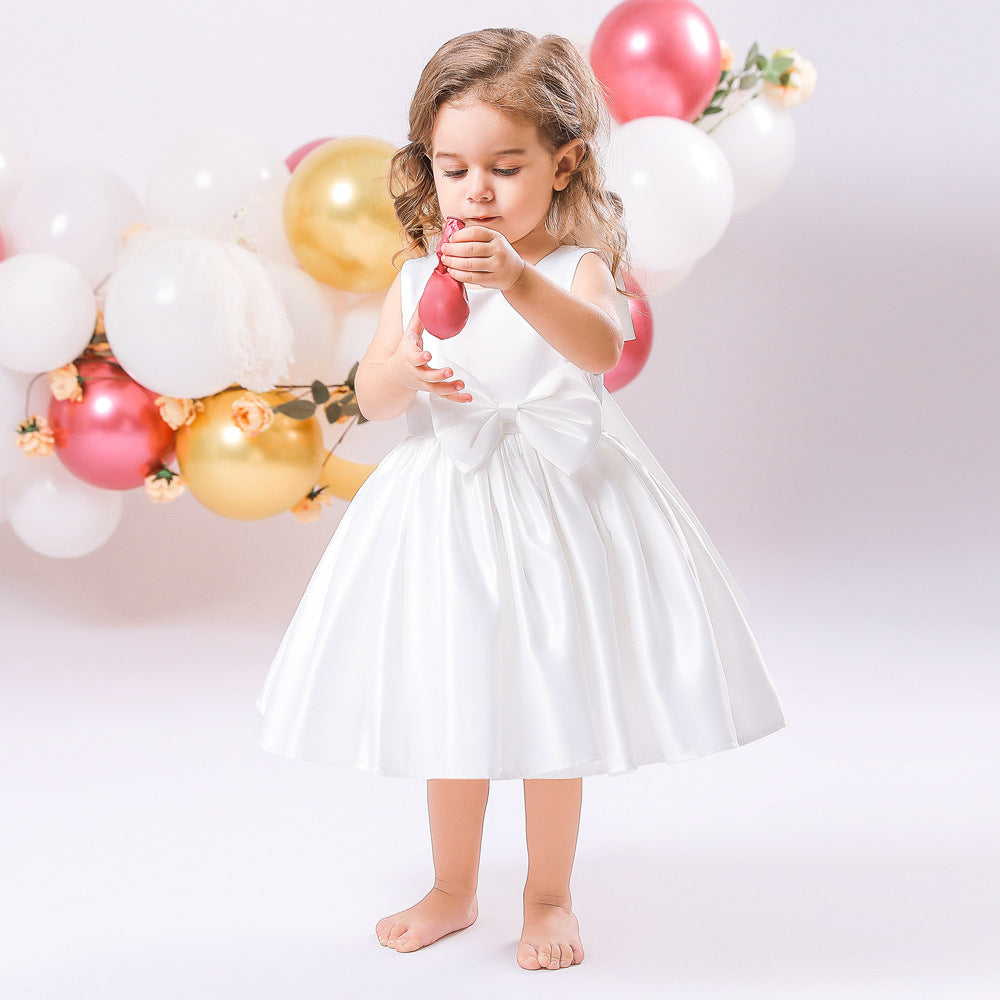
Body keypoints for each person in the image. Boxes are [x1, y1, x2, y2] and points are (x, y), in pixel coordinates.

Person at [256, 27, 786, 972]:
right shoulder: (416, 275)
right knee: (451, 695)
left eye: (505, 168)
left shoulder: (576, 266)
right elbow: (370, 393)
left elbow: (600, 348)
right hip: (448, 508)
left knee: (552, 698)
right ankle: (452, 886)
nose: (477, 192)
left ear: (563, 163)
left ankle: (549, 895)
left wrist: (517, 280)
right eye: (453, 168)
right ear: (427, 164)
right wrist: (405, 371)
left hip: (554, 506)